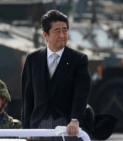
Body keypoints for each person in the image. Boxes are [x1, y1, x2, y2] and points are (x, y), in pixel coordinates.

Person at [21, 9, 91, 141]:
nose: (62, 35)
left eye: (65, 30)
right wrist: (26, 128)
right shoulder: (32, 59)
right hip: (38, 124)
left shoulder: (79, 59)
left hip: (67, 125)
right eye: (57, 31)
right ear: (45, 35)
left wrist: (75, 119)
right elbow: (28, 97)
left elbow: (81, 93)